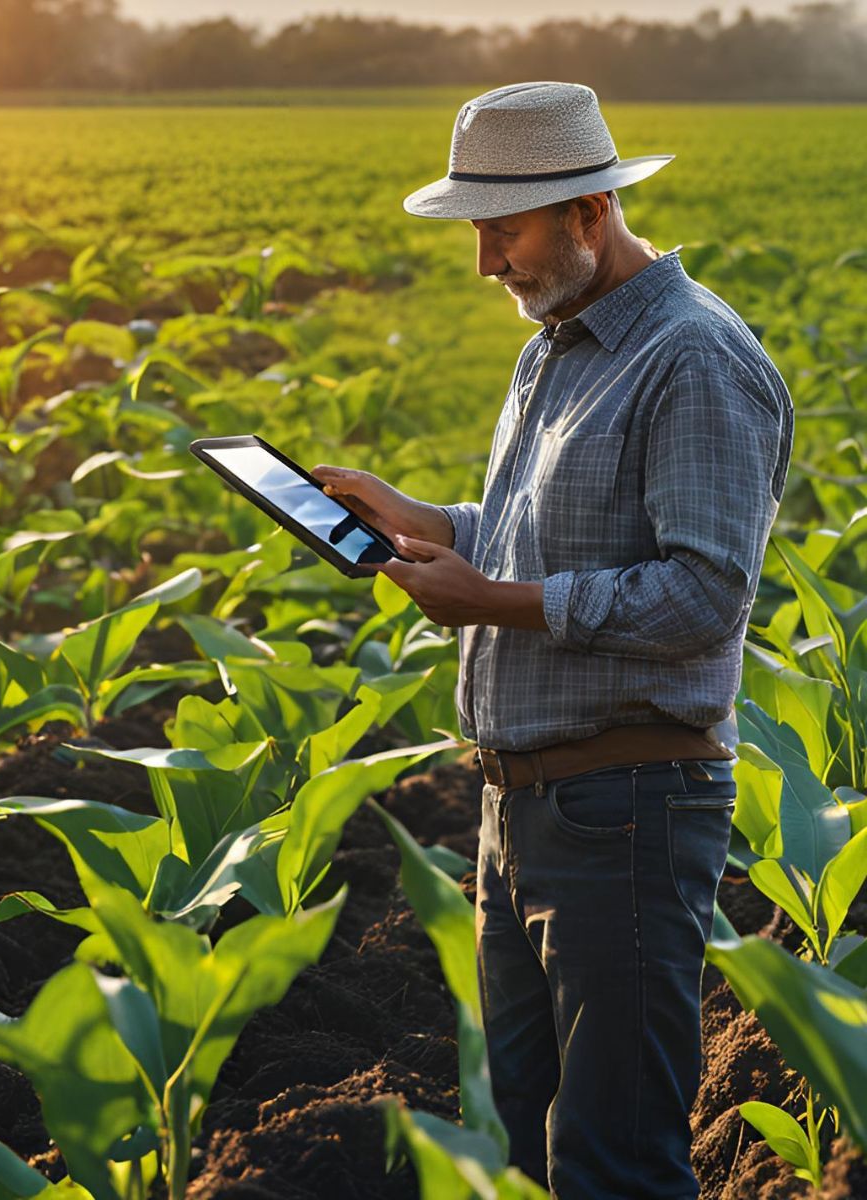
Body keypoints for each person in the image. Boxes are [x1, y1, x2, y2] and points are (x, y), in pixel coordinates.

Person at [311, 81, 794, 1199]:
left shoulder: (695, 360)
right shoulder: (558, 345)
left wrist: (493, 603)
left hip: (626, 810)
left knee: (613, 1161)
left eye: (505, 228)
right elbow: (547, 535)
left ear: (590, 210)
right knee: (527, 1148)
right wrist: (432, 525)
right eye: (478, 229)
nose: (487, 261)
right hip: (518, 809)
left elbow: (702, 596)